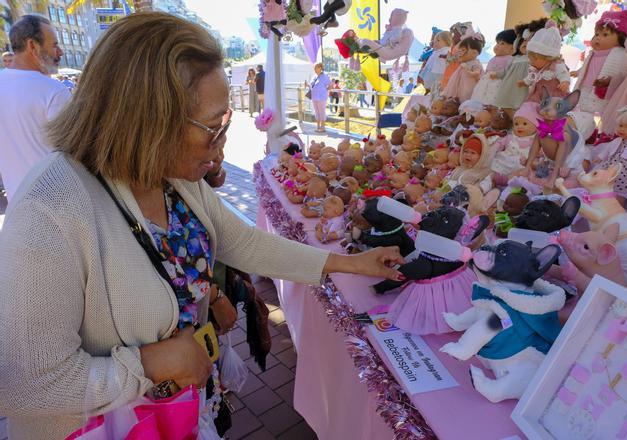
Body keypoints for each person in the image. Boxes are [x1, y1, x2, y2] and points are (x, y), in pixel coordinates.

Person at [0, 13, 404, 440]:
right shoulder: (50, 209)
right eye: (213, 127)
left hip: (180, 412)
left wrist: (349, 263)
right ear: (149, 121)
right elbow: (25, 386)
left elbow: (240, 239)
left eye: (224, 123)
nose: (222, 144)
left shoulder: (168, 177)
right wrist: (148, 365)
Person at [0, 14, 69, 202]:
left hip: (18, 208)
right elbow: (77, 154)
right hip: (59, 205)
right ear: (33, 46)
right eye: (54, 45)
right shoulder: (54, 91)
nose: (60, 52)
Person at [306, 62, 331, 132]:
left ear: (320, 68)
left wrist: (326, 89)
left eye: (316, 67)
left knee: (321, 112)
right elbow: (311, 86)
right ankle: (318, 127)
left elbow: (331, 84)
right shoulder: (314, 76)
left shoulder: (324, 76)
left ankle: (323, 127)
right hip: (314, 97)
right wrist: (307, 85)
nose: (314, 69)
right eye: (314, 67)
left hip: (321, 97)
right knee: (316, 111)